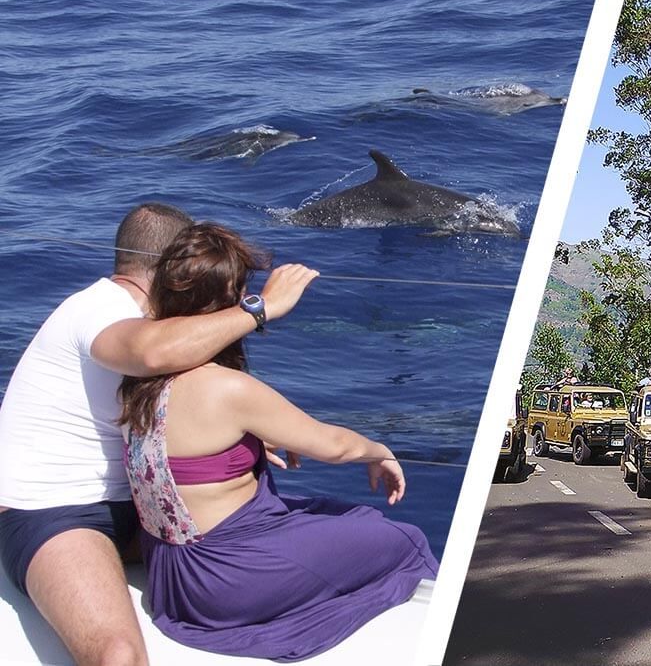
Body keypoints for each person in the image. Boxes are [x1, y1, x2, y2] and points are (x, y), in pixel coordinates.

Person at [0, 203, 318, 666]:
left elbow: (162, 404)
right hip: (52, 512)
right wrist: (259, 307)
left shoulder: (149, 320)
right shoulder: (101, 308)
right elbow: (152, 356)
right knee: (117, 655)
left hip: (137, 505)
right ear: (175, 264)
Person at [119, 223, 439, 661]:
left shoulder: (135, 381)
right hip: (222, 582)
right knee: (402, 538)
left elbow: (182, 456)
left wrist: (245, 445)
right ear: (227, 303)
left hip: (170, 575)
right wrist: (381, 451)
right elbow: (333, 446)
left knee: (336, 511)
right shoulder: (226, 389)